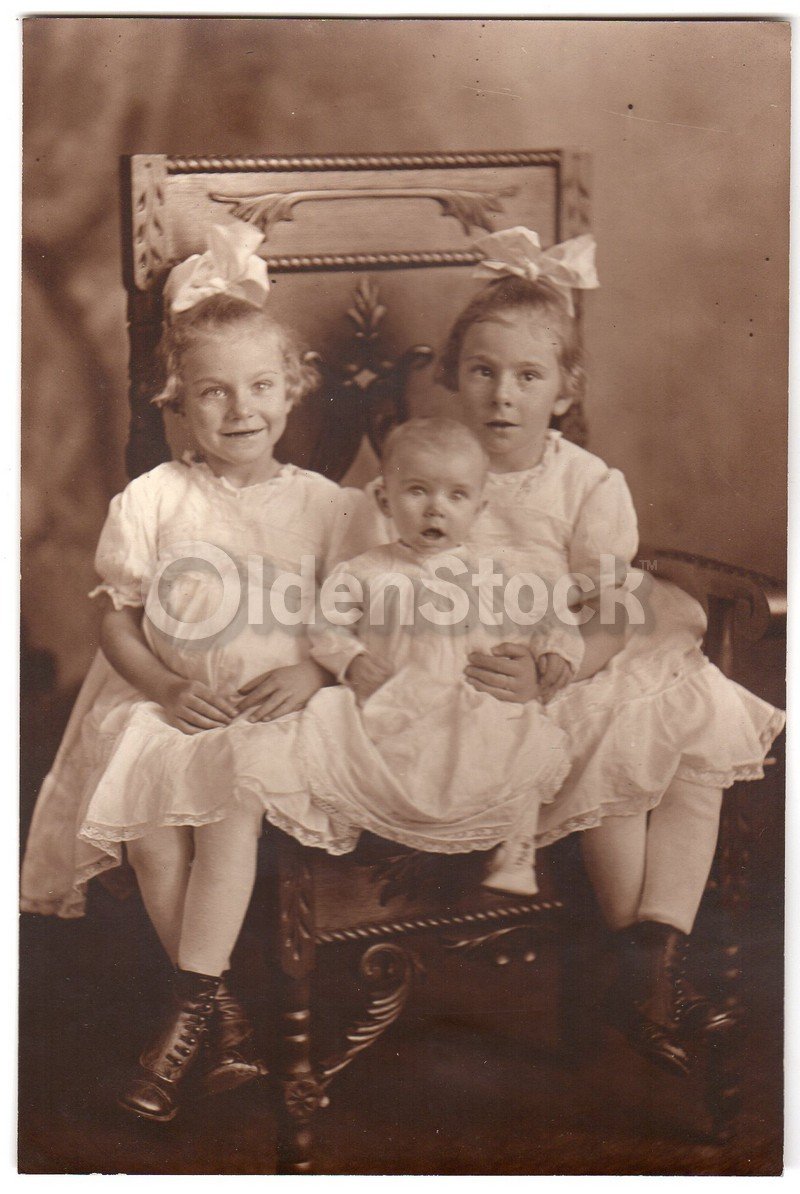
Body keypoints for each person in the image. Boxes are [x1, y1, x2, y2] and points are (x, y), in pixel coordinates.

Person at [412, 226, 784, 1074]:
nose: (502, 396)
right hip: (474, 675)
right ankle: (646, 973)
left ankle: (647, 958)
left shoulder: (587, 484)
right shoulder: (429, 472)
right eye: (482, 372)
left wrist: (563, 665)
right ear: (451, 377)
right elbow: (381, 574)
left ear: (565, 390)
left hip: (576, 657)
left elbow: (614, 612)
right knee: (625, 739)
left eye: (528, 376)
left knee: (698, 725)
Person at [20, 222, 370, 1122]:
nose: (240, 409)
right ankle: (220, 1015)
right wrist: (166, 687)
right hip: (172, 701)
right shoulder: (153, 500)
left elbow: (367, 610)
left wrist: (317, 673)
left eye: (260, 386)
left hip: (280, 711)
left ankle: (188, 1019)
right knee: (148, 827)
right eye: (213, 392)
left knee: (231, 804)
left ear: (292, 389)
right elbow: (117, 619)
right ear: (176, 400)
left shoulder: (330, 508)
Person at [299, 415, 576, 893]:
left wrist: (558, 653)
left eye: (456, 496)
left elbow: (552, 618)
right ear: (385, 499)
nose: (435, 510)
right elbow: (324, 624)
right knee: (384, 757)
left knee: (527, 741)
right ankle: (398, 836)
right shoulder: (366, 570)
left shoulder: (496, 574)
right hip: (398, 699)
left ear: (480, 506)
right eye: (417, 491)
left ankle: (517, 852)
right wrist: (350, 659)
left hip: (468, 701)